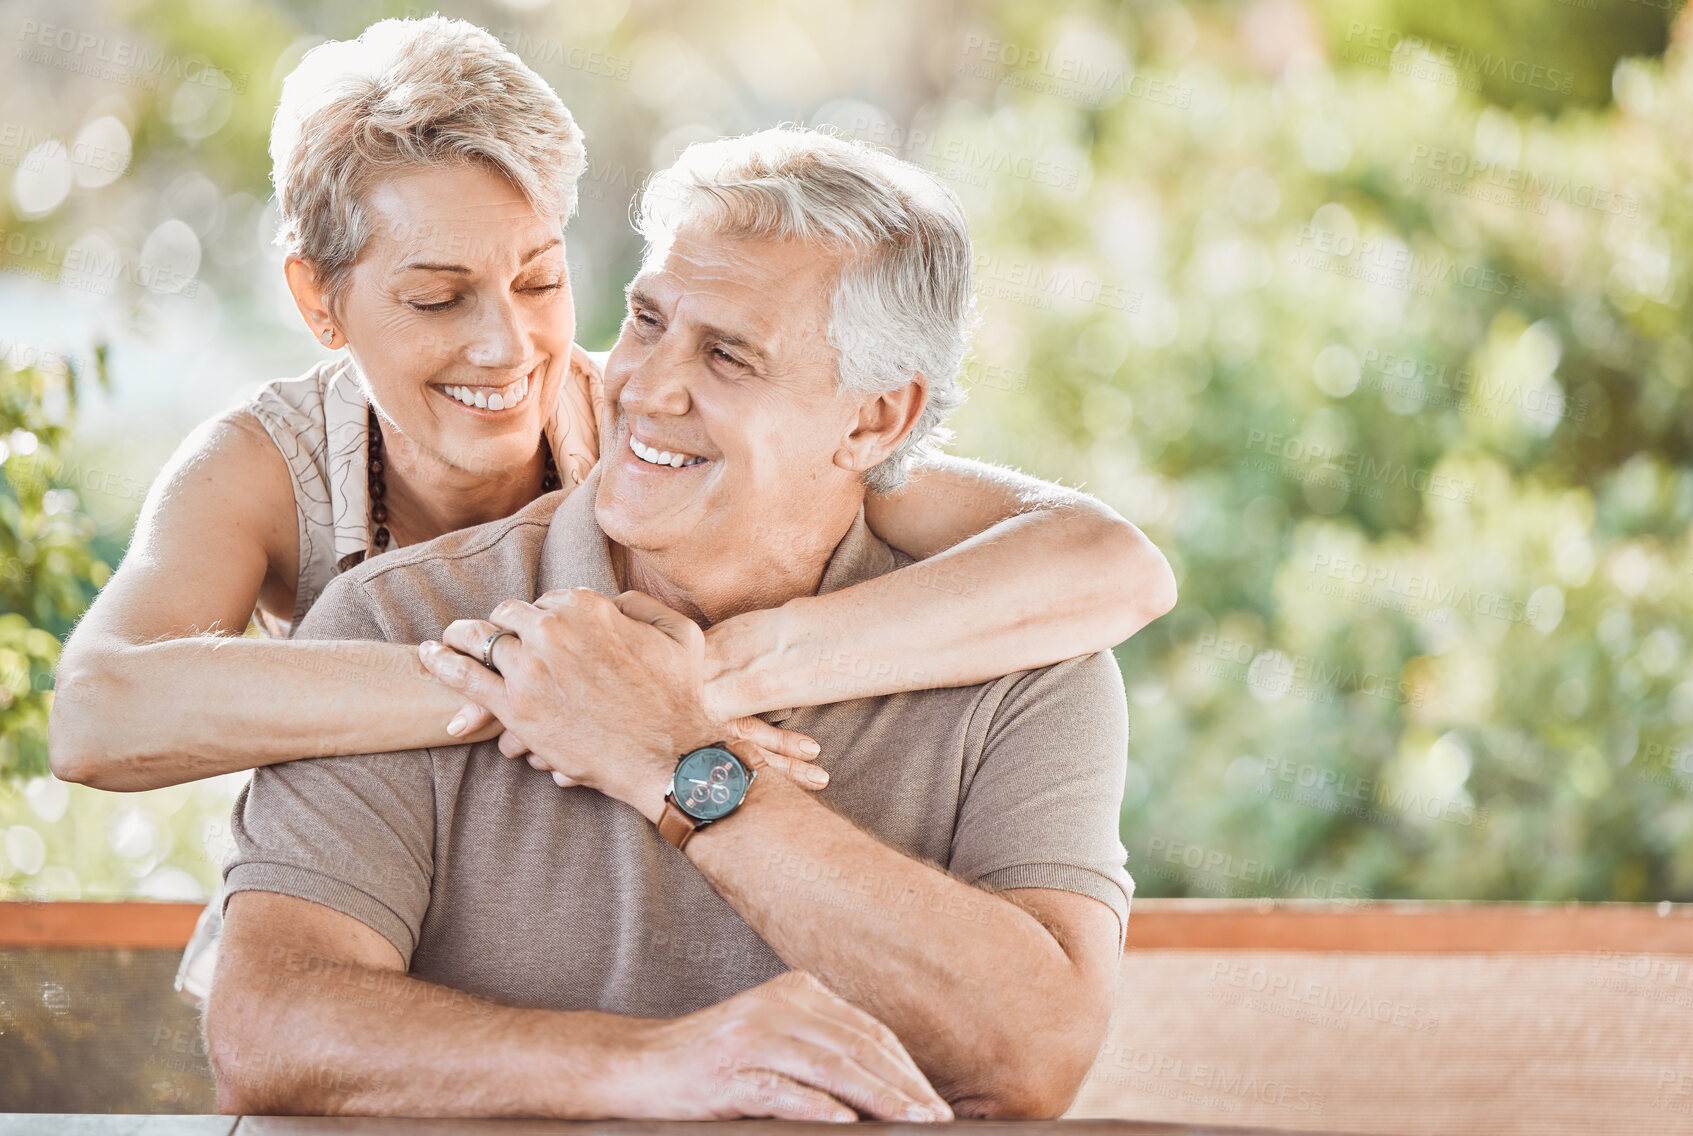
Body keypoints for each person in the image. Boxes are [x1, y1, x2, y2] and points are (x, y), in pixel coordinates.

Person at [46, 15, 1171, 1006]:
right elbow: (97, 713)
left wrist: (710, 676)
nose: (507, 345)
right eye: (437, 297)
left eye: (539, 281)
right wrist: (533, 682)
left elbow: (1109, 565)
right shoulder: (267, 465)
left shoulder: (650, 421)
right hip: (380, 896)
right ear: (318, 301)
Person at [208, 125, 1131, 1122]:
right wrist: (655, 1066)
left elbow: (1034, 1055)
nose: (644, 386)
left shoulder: (1024, 669)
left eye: (727, 354)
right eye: (646, 321)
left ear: (872, 421)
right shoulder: (398, 614)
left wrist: (676, 759)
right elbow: (266, 1026)